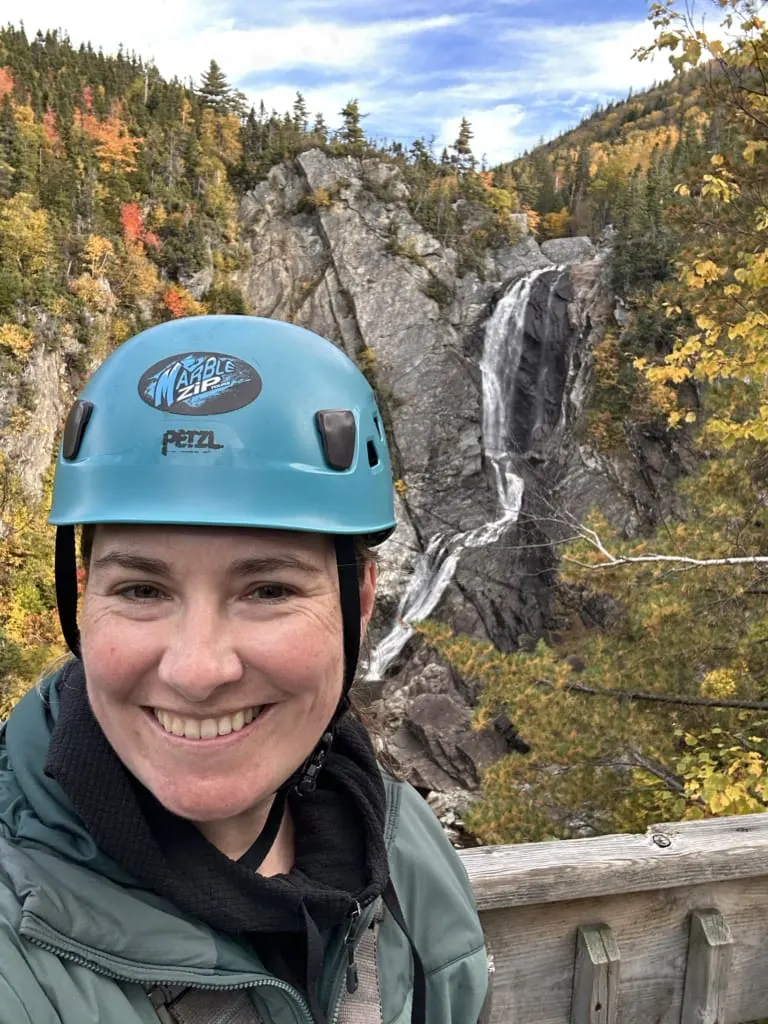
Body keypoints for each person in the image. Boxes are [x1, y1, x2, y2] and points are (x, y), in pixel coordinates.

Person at [0, 315, 491, 1024]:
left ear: (359, 600)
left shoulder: (402, 849)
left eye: (268, 590)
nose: (198, 670)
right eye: (142, 590)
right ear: (83, 597)